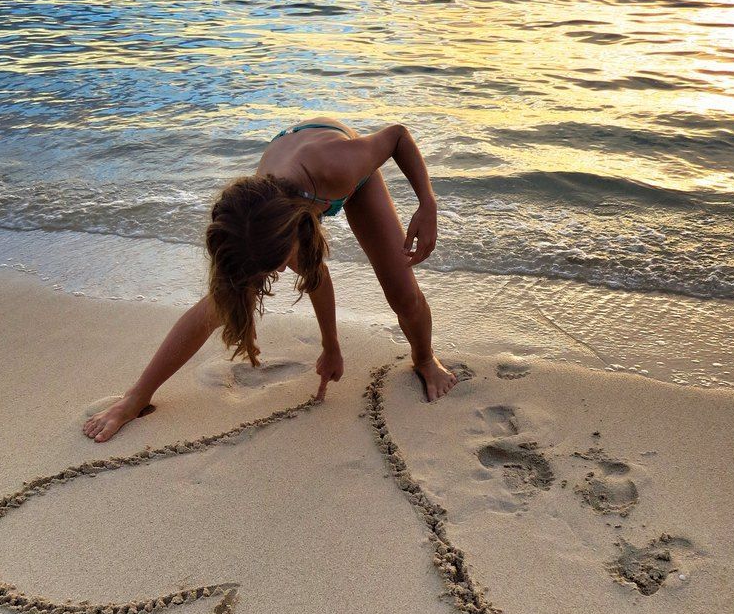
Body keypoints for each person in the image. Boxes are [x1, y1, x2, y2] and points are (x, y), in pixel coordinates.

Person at [83, 116, 459, 442]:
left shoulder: (338, 165)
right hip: (289, 190)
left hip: (344, 174)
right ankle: (136, 397)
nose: (280, 273)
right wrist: (331, 346)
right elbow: (312, 276)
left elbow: (397, 136)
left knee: (402, 292)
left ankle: (425, 360)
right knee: (229, 294)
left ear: (293, 234)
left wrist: (427, 205)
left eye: (279, 263)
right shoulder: (247, 215)